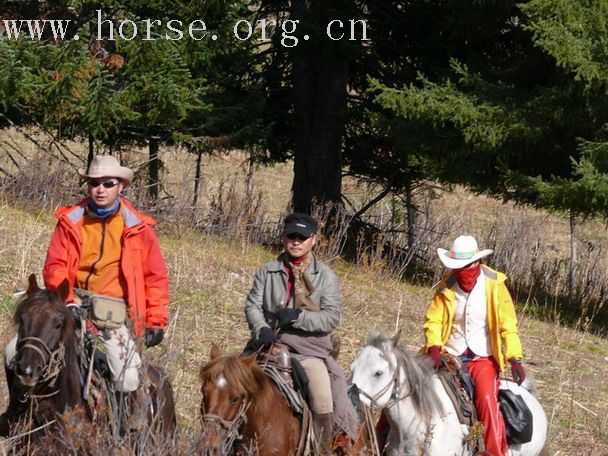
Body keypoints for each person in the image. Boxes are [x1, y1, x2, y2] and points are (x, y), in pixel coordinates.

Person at [4, 155, 170, 429]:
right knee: (13, 352)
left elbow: (155, 278)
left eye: (108, 183)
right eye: (94, 183)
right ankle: (17, 415)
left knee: (126, 376)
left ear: (121, 187)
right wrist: (66, 301)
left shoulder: (138, 229)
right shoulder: (70, 221)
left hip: (114, 312)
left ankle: (122, 429)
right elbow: (55, 266)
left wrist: (156, 320)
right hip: (70, 302)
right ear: (87, 186)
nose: (100, 189)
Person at [244, 213, 358, 449]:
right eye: (291, 236)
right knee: (225, 383)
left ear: (313, 240)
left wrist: (299, 317)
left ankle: (321, 448)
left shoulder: (326, 277)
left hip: (307, 351)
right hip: (266, 344)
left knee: (323, 400)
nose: (296, 241)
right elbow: (252, 305)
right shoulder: (267, 272)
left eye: (302, 237)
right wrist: (261, 328)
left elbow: (330, 317)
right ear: (283, 238)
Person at [423, 235, 527, 456]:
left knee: (487, 401)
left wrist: (515, 359)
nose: (460, 271)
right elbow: (434, 320)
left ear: (476, 263)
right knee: (409, 382)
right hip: (449, 355)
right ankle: (380, 440)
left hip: (483, 358)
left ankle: (494, 453)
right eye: (456, 267)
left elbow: (508, 325)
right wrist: (433, 347)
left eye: (464, 266)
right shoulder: (446, 287)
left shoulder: (495, 286)